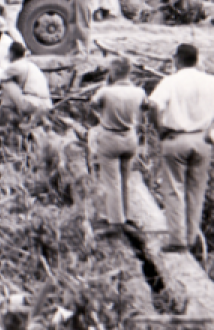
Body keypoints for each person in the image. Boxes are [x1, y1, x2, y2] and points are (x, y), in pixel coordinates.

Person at [148, 44, 214, 254]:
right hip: (202, 139)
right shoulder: (210, 81)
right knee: (196, 190)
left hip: (176, 137)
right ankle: (191, 237)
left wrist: (159, 129)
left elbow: (153, 105)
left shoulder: (170, 81)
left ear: (177, 59)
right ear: (196, 59)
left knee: (174, 188)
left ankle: (177, 239)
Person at [89, 58, 146, 237]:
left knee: (112, 182)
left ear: (113, 72)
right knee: (125, 179)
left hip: (110, 136)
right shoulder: (139, 91)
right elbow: (146, 107)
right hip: (129, 136)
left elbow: (92, 104)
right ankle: (127, 215)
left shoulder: (106, 91)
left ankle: (115, 222)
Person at [0, 42, 52, 113]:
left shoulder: (16, 65)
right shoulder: (30, 64)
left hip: (33, 103)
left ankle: (6, 108)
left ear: (12, 53)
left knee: (6, 82)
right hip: (46, 103)